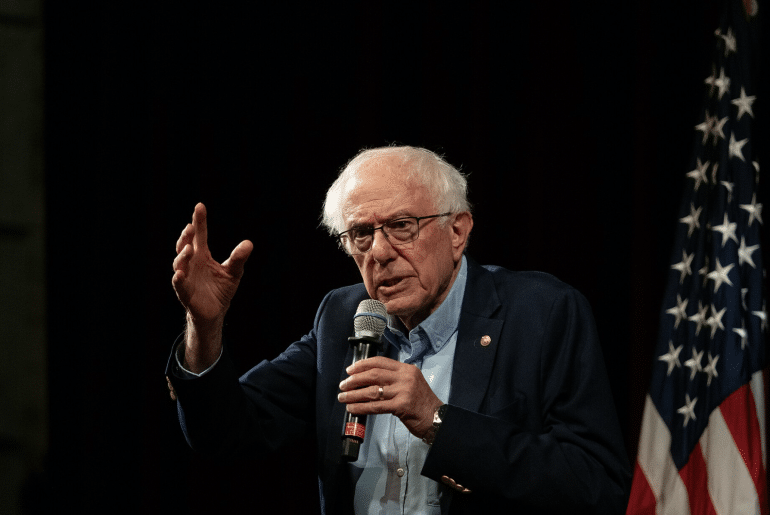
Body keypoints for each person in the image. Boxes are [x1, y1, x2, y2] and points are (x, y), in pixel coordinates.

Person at [167, 146, 630, 514]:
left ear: (458, 231)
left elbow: (594, 486)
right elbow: (226, 432)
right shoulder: (343, 316)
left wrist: (438, 420)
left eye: (402, 226)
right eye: (361, 235)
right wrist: (204, 326)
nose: (380, 252)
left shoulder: (542, 313)